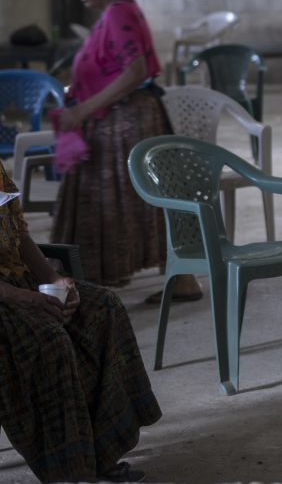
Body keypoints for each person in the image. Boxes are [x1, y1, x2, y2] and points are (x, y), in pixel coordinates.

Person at [51, 0, 202, 301]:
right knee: (134, 203)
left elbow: (135, 72)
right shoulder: (116, 12)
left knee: (124, 202)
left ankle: (175, 280)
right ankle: (179, 280)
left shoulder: (119, 13)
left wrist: (83, 110)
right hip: (121, 121)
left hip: (128, 122)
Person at [0, 160, 161, 482]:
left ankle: (102, 451)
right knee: (46, 341)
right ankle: (68, 470)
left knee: (103, 307)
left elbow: (18, 231)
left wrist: (53, 278)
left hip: (16, 279)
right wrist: (24, 298)